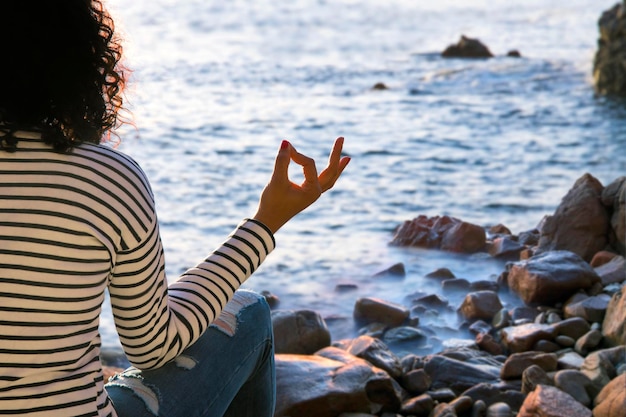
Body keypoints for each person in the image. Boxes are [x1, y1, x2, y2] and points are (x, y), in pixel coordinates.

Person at [0, 1, 350, 416]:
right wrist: (265, 221)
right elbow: (152, 345)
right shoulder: (108, 177)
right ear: (77, 60)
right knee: (251, 313)